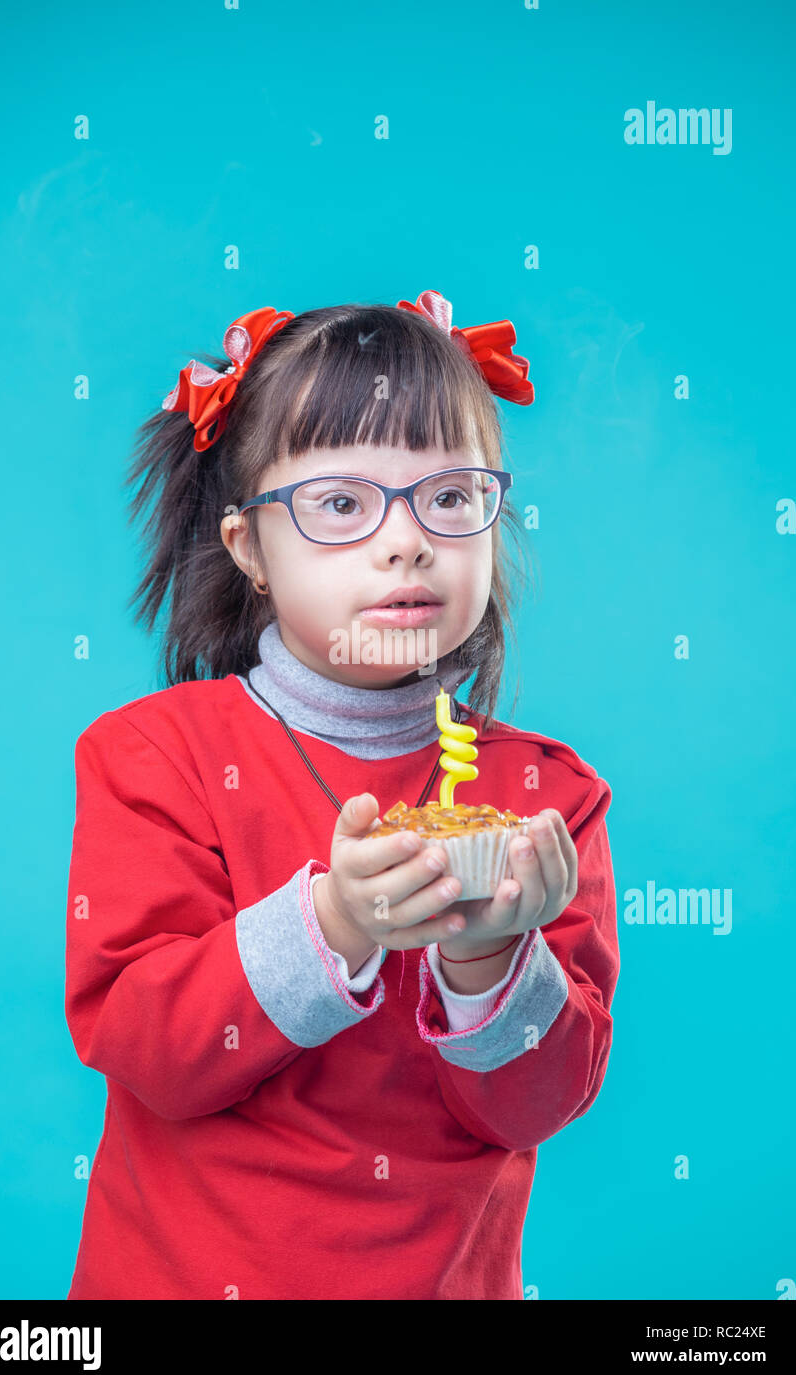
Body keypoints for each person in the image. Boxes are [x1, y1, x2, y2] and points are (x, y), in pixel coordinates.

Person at [64, 289, 619, 1300]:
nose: (407, 541)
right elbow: (148, 1046)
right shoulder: (153, 756)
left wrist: (491, 951)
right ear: (248, 550)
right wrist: (334, 920)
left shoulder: (545, 797)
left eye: (448, 497)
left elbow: (531, 1105)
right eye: (341, 504)